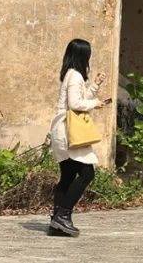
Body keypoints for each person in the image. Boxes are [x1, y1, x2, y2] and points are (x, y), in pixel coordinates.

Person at [47, 38, 111, 236]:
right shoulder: (74, 76)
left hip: (62, 130)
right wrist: (96, 103)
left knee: (67, 177)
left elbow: (80, 99)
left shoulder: (71, 75)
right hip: (69, 132)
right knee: (87, 174)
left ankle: (57, 223)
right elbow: (76, 104)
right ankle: (63, 216)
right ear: (83, 56)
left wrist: (95, 85)